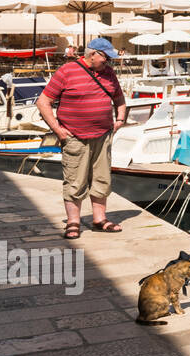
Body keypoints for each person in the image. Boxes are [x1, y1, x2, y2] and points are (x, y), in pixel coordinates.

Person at [35, 37, 128, 238]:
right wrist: (58, 130)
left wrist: (120, 119)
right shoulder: (66, 71)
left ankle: (99, 219)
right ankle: (73, 222)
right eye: (106, 58)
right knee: (75, 181)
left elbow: (119, 98)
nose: (108, 62)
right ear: (92, 54)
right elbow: (43, 102)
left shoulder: (109, 73)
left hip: (102, 136)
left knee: (102, 179)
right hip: (74, 136)